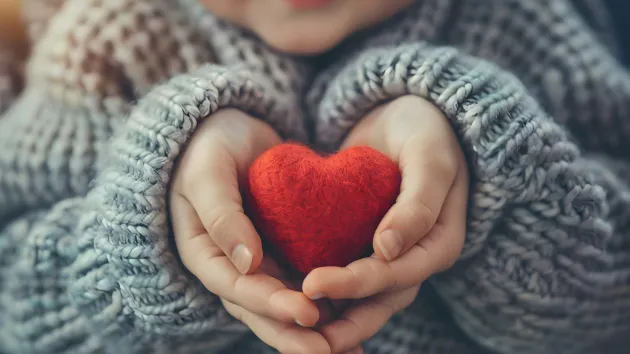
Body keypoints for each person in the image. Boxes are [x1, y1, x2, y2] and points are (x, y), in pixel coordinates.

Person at [1, 0, 629, 353]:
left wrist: (491, 160)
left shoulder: (518, 21)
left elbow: (613, 298)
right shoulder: (109, 40)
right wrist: (147, 232)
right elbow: (16, 290)